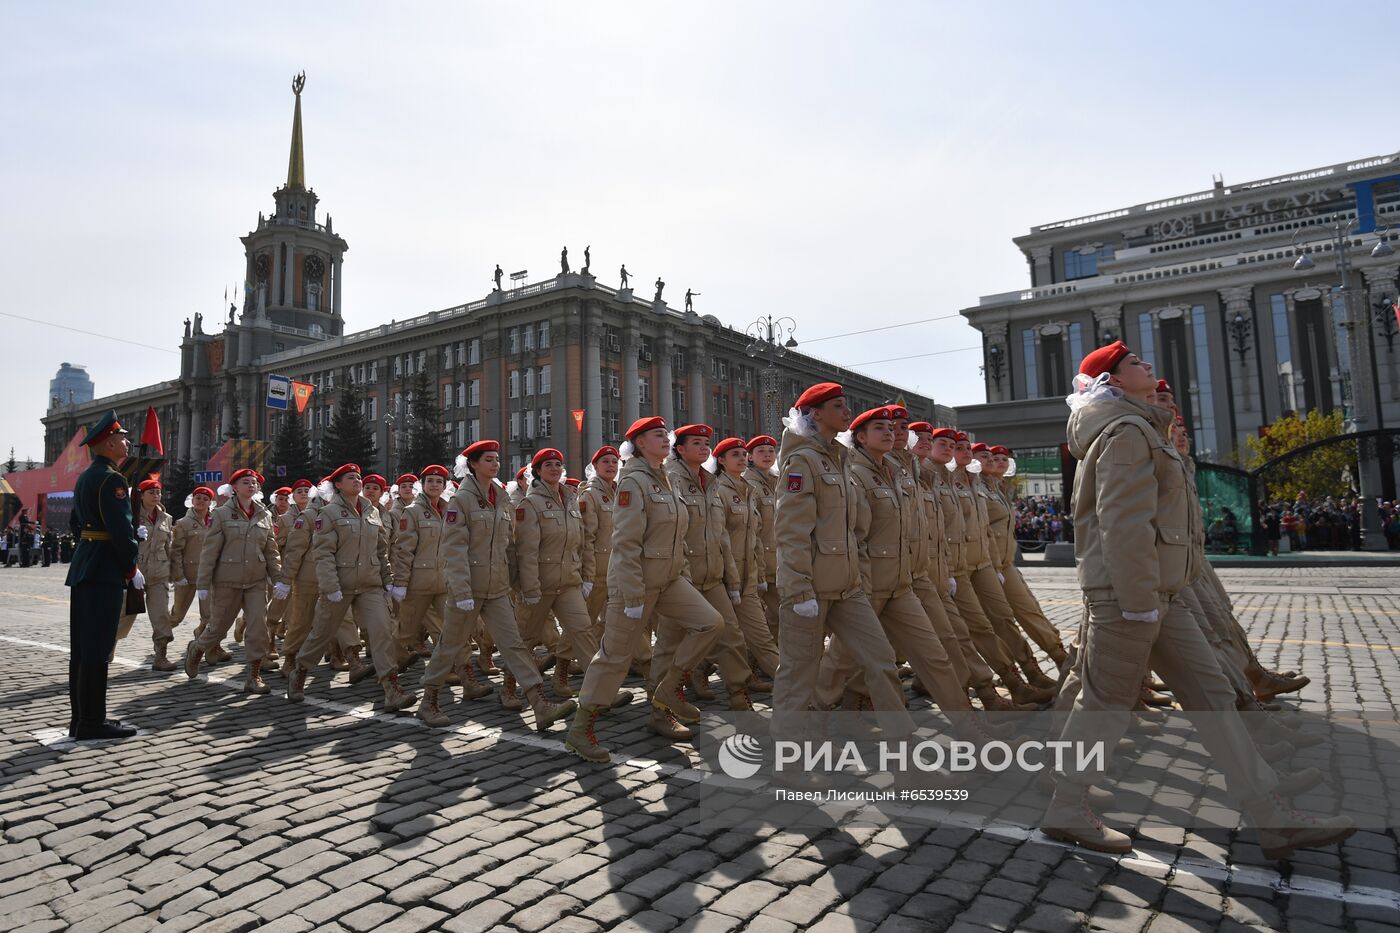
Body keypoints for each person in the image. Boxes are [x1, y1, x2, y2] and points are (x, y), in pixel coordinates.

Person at [1044, 341, 1353, 858]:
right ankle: (1066, 805)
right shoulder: (1125, 433)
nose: (1149, 366)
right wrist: (1139, 599)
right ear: (1114, 383)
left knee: (1211, 695)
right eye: (1137, 364)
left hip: (1162, 593)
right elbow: (1122, 525)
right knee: (1105, 703)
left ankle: (1270, 815)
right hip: (1130, 597)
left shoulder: (1143, 428)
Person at [566, 417, 725, 761]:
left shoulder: (666, 478)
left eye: (665, 435)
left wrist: (678, 570)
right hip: (634, 585)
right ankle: (581, 729)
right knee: (613, 658)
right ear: (639, 443)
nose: (665, 440)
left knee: (710, 623)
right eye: (657, 436)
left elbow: (676, 534)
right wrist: (633, 593)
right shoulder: (634, 481)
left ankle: (668, 692)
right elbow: (625, 543)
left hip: (668, 580)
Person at [772, 383, 913, 740]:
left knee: (882, 663)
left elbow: (855, 529)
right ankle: (787, 763)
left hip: (848, 588)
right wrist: (800, 589)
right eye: (837, 405)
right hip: (810, 590)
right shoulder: (801, 462)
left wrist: (858, 577)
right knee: (797, 676)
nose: (846, 411)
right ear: (815, 414)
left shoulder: (839, 458)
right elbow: (791, 532)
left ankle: (904, 752)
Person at [417, 441, 575, 731]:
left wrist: (518, 583)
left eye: (496, 459)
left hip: (497, 588)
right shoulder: (461, 500)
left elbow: (509, 547)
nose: (495, 463)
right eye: (488, 459)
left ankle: (539, 704)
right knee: (450, 644)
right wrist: (462, 590)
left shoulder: (501, 497)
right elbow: (452, 549)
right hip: (469, 590)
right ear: (473, 464)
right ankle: (429, 701)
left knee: (513, 644)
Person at [289, 464, 414, 711]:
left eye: (358, 477)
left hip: (370, 584)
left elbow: (381, 550)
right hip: (340, 586)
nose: (357, 481)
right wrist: (330, 585)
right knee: (322, 633)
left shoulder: (371, 511)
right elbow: (323, 553)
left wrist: (387, 578)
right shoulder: (328, 513)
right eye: (351, 478)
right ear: (337, 485)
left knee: (382, 631)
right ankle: (300, 671)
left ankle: (391, 689)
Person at [65, 410, 141, 739]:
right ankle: (93, 722)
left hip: (85, 564)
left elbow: (74, 523)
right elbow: (121, 532)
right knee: (97, 647)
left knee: (83, 648)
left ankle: (80, 718)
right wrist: (131, 566)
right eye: (123, 437)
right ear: (109, 443)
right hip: (104, 569)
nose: (127, 441)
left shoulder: (86, 476)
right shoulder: (113, 479)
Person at [184, 469, 281, 695]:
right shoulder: (221, 514)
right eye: (245, 482)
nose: (251, 485)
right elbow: (210, 551)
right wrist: (203, 583)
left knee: (258, 627)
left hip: (256, 581)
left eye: (254, 482)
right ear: (234, 488)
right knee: (218, 627)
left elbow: (271, 550)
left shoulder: (264, 515)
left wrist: (278, 579)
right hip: (228, 580)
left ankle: (253, 675)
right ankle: (198, 648)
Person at [516, 448, 598, 698]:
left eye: (558, 464)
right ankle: (509, 687)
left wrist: (586, 576)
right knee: (525, 639)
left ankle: (599, 691)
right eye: (548, 465)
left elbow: (582, 542)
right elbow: (526, 550)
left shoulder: (571, 501)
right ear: (537, 472)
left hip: (569, 582)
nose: (554, 468)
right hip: (541, 585)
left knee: (583, 632)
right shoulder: (530, 504)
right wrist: (529, 588)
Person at [712, 436, 780, 685]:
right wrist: (730, 577)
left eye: (743, 454)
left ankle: (782, 680)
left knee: (758, 631)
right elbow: (721, 538)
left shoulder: (748, 488)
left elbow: (754, 537)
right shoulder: (719, 489)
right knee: (725, 634)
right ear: (721, 460)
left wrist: (759, 572)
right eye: (736, 455)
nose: (742, 458)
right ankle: (699, 674)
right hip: (723, 574)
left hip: (751, 570)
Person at [116, 477, 177, 671]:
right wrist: (132, 535)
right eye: (151, 493)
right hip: (135, 572)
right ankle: (108, 646)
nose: (156, 496)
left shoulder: (166, 518)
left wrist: (174, 572)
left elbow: (169, 547)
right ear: (140, 496)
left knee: (161, 615)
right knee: (125, 613)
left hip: (159, 572)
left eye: (158, 492)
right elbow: (119, 542)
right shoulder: (130, 515)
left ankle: (161, 656)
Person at [744, 435, 780, 635]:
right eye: (760, 452)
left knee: (777, 615)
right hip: (760, 561)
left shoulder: (778, 482)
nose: (767, 455)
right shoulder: (749, 484)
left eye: (771, 451)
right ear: (750, 457)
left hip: (779, 561)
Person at [170, 486, 215, 636]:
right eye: (198, 498)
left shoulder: (216, 521)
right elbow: (176, 551)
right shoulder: (183, 523)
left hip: (208, 576)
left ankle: (203, 641)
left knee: (209, 615)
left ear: (210, 502)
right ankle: (161, 638)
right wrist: (178, 576)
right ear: (192, 500)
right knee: (177, 616)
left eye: (205, 499)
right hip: (187, 575)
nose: (201, 501)